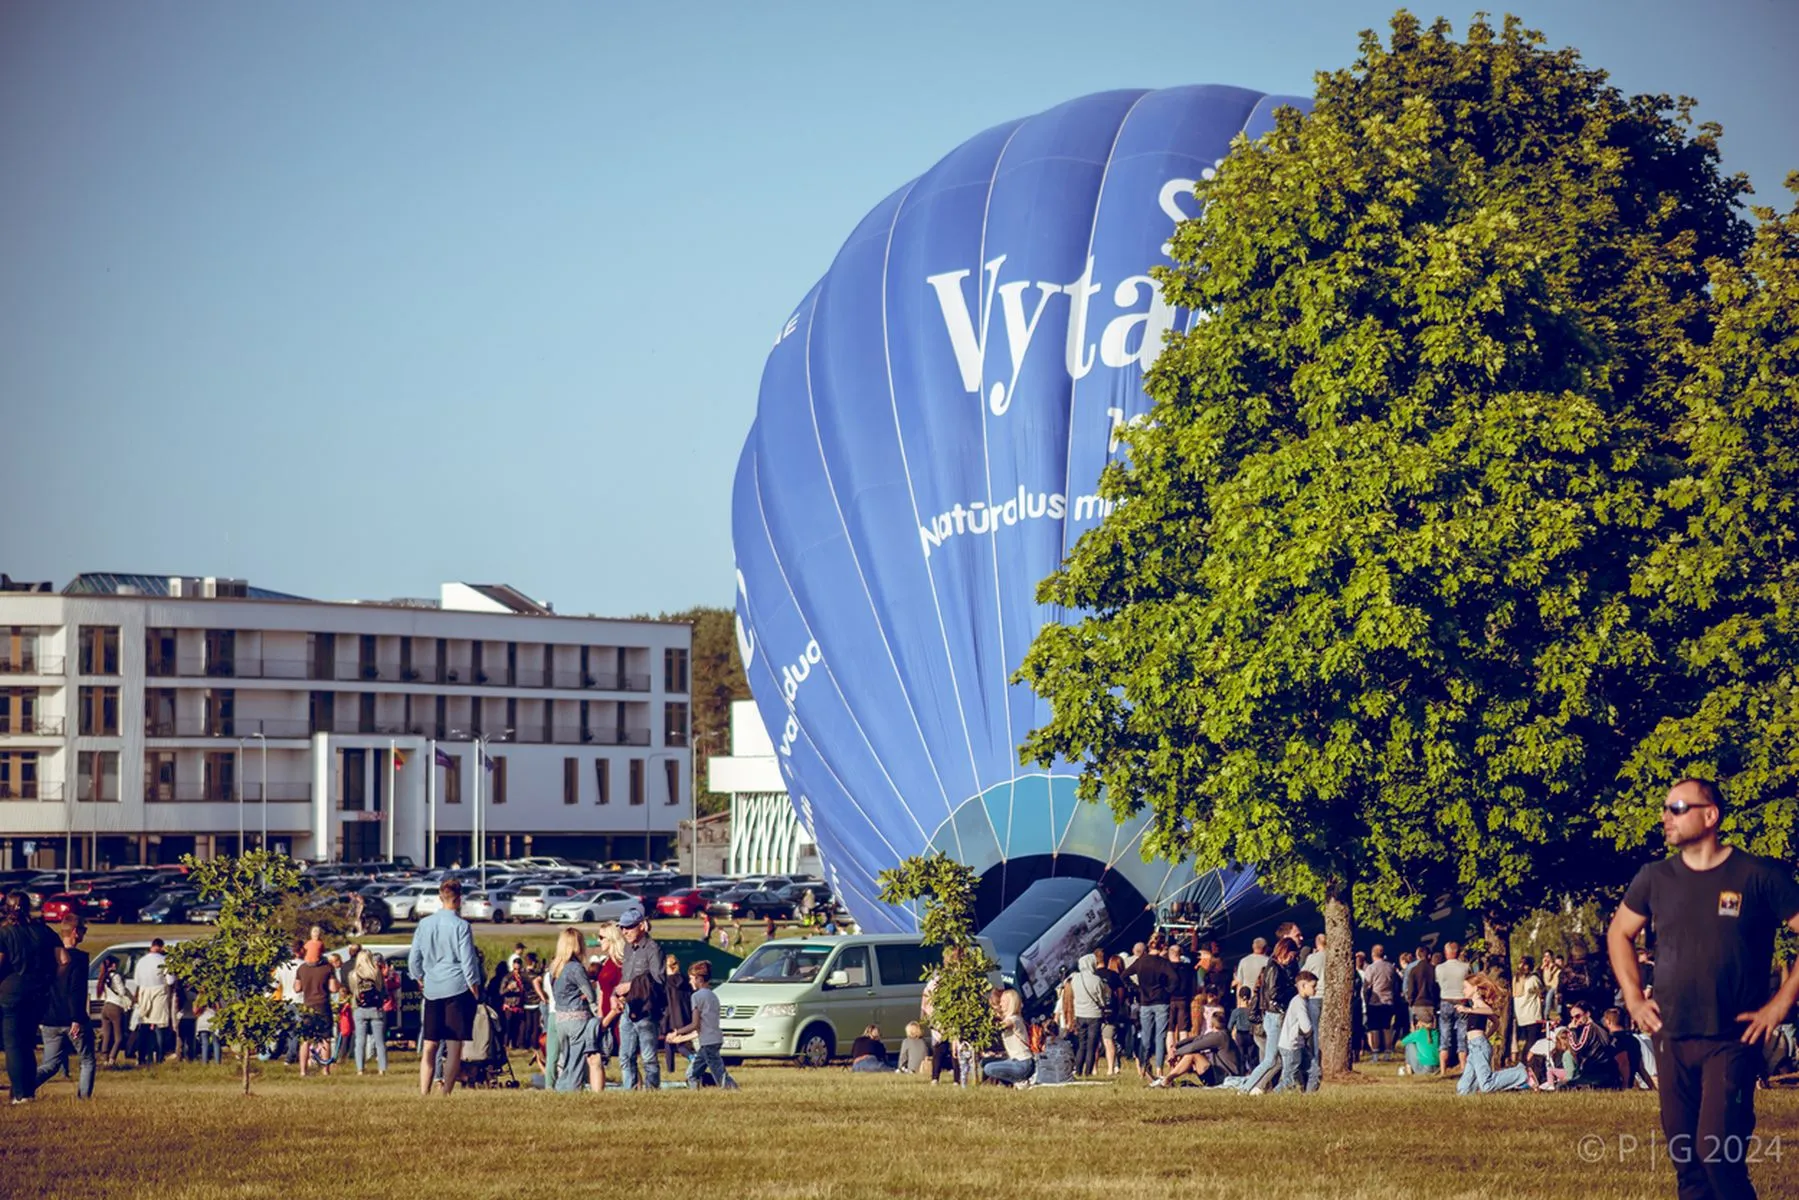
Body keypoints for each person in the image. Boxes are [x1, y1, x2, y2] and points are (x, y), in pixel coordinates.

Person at [1607, 777, 1799, 1200]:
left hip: (1731, 1039)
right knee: (1688, 1168)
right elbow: (1620, 932)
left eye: (1676, 808)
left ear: (1710, 816)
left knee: (1718, 1156)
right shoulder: (1654, 877)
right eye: (1665, 808)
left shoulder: (1758, 875)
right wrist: (1635, 998)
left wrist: (1780, 1004)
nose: (1665, 817)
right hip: (1670, 1037)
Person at [409, 878, 483, 1096]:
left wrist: (419, 977)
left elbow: (415, 957)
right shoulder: (461, 926)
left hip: (432, 988)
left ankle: (424, 1091)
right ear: (458, 899)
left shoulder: (424, 924)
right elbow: (468, 960)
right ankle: (446, 1093)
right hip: (457, 987)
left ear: (440, 898)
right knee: (454, 1046)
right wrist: (474, 985)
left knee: (430, 1044)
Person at [33, 916, 95, 1100]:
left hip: (50, 1018)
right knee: (87, 1060)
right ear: (75, 932)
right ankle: (83, 1098)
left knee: (50, 1064)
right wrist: (77, 1017)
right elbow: (76, 990)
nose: (84, 933)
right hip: (72, 1018)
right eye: (83, 930)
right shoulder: (79, 959)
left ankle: (25, 1085)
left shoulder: (48, 958)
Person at [611, 904, 663, 1090]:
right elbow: (624, 978)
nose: (625, 931)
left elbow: (658, 980)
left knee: (648, 1057)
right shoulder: (627, 948)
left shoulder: (652, 949)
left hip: (645, 1010)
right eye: (622, 927)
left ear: (641, 926)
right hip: (627, 1008)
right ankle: (630, 1090)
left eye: (629, 927)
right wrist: (615, 994)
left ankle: (652, 1090)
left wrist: (631, 986)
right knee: (625, 1056)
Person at [550, 926, 604, 1092]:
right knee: (576, 1060)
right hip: (577, 1017)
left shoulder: (555, 968)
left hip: (560, 1018)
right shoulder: (576, 968)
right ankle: (573, 1090)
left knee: (565, 1059)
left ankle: (561, 1088)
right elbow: (591, 995)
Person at [666, 959, 736, 1089]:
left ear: (699, 979)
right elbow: (702, 1028)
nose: (690, 981)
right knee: (700, 1072)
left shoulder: (697, 997)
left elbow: (694, 1024)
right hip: (714, 1040)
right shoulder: (713, 996)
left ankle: (733, 1092)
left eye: (691, 978)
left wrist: (677, 1032)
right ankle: (732, 1091)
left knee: (705, 1074)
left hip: (708, 1043)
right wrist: (681, 1039)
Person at [292, 941, 338, 1076]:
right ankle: (325, 1070)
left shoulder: (302, 969)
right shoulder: (328, 968)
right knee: (325, 1039)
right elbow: (333, 988)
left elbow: (297, 988)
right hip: (323, 1005)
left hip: (307, 1007)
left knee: (305, 1040)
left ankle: (302, 1071)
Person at [1059, 952, 1108, 1077]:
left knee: (1082, 1044)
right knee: (1092, 1045)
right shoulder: (1097, 980)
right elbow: (1101, 999)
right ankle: (1088, 1071)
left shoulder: (1075, 979)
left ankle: (1078, 1070)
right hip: (1094, 1014)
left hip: (1080, 1014)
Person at [1272, 969, 1318, 1093]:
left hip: (1298, 1045)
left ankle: (1308, 1099)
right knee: (1290, 1079)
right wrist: (1309, 1032)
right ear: (1303, 985)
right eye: (1313, 986)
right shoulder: (1299, 1003)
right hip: (1291, 1046)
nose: (1315, 989)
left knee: (1314, 1072)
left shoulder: (1303, 1001)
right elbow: (1306, 1027)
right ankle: (1274, 1096)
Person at [132, 936, 176, 1063]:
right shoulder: (165, 960)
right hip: (160, 992)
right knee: (160, 1026)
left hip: (144, 992)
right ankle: (160, 1056)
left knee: (144, 1026)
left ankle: (141, 1056)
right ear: (161, 947)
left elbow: (137, 981)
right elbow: (170, 980)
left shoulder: (141, 961)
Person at [980, 989, 1035, 1088]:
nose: (1000, 1004)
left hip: (1023, 1063)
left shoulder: (1015, 1019)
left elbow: (1001, 1026)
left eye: (1003, 1001)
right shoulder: (1009, 1018)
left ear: (1011, 1003)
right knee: (985, 1062)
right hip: (1014, 1060)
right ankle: (1009, 1084)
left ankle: (1020, 1082)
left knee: (988, 1068)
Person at [349, 949, 389, 1075]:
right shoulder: (376, 972)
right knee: (379, 1041)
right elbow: (383, 990)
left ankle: (360, 1068)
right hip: (376, 1008)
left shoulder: (353, 974)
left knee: (360, 1041)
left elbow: (352, 991)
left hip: (359, 1009)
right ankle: (382, 1069)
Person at [1435, 941, 1471, 1070]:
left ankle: (1443, 1068)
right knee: (1462, 1035)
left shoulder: (1439, 968)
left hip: (1446, 1001)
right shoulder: (1466, 967)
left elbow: (1438, 983)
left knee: (1445, 1035)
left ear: (1446, 952)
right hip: (1462, 1001)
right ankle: (1463, 1067)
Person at [661, 952, 693, 1074]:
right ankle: (689, 1059)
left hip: (671, 1017)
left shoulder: (667, 983)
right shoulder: (685, 980)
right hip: (685, 1016)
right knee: (681, 1043)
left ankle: (671, 1069)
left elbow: (665, 1002)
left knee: (672, 1043)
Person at [97, 955, 132, 1066]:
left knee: (106, 1035)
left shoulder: (103, 977)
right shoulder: (115, 976)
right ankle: (112, 1058)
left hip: (106, 1007)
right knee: (119, 1037)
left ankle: (105, 1057)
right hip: (116, 1007)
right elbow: (121, 992)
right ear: (113, 965)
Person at [1513, 955, 1546, 1058]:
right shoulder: (1533, 979)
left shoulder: (1515, 980)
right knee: (1533, 1042)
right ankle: (1525, 1064)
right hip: (1533, 1016)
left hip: (1521, 1016)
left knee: (1528, 1040)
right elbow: (1542, 991)